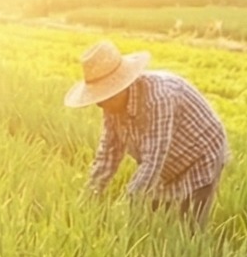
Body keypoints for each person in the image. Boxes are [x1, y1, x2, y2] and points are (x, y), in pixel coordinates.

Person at [68, 41, 230, 225]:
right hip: (168, 162)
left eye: (103, 96)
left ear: (120, 88)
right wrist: (88, 197)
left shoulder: (159, 98)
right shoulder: (111, 106)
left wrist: (125, 205)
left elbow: (153, 161)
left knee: (188, 227)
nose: (99, 104)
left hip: (200, 156)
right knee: (155, 218)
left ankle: (194, 248)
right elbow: (108, 155)